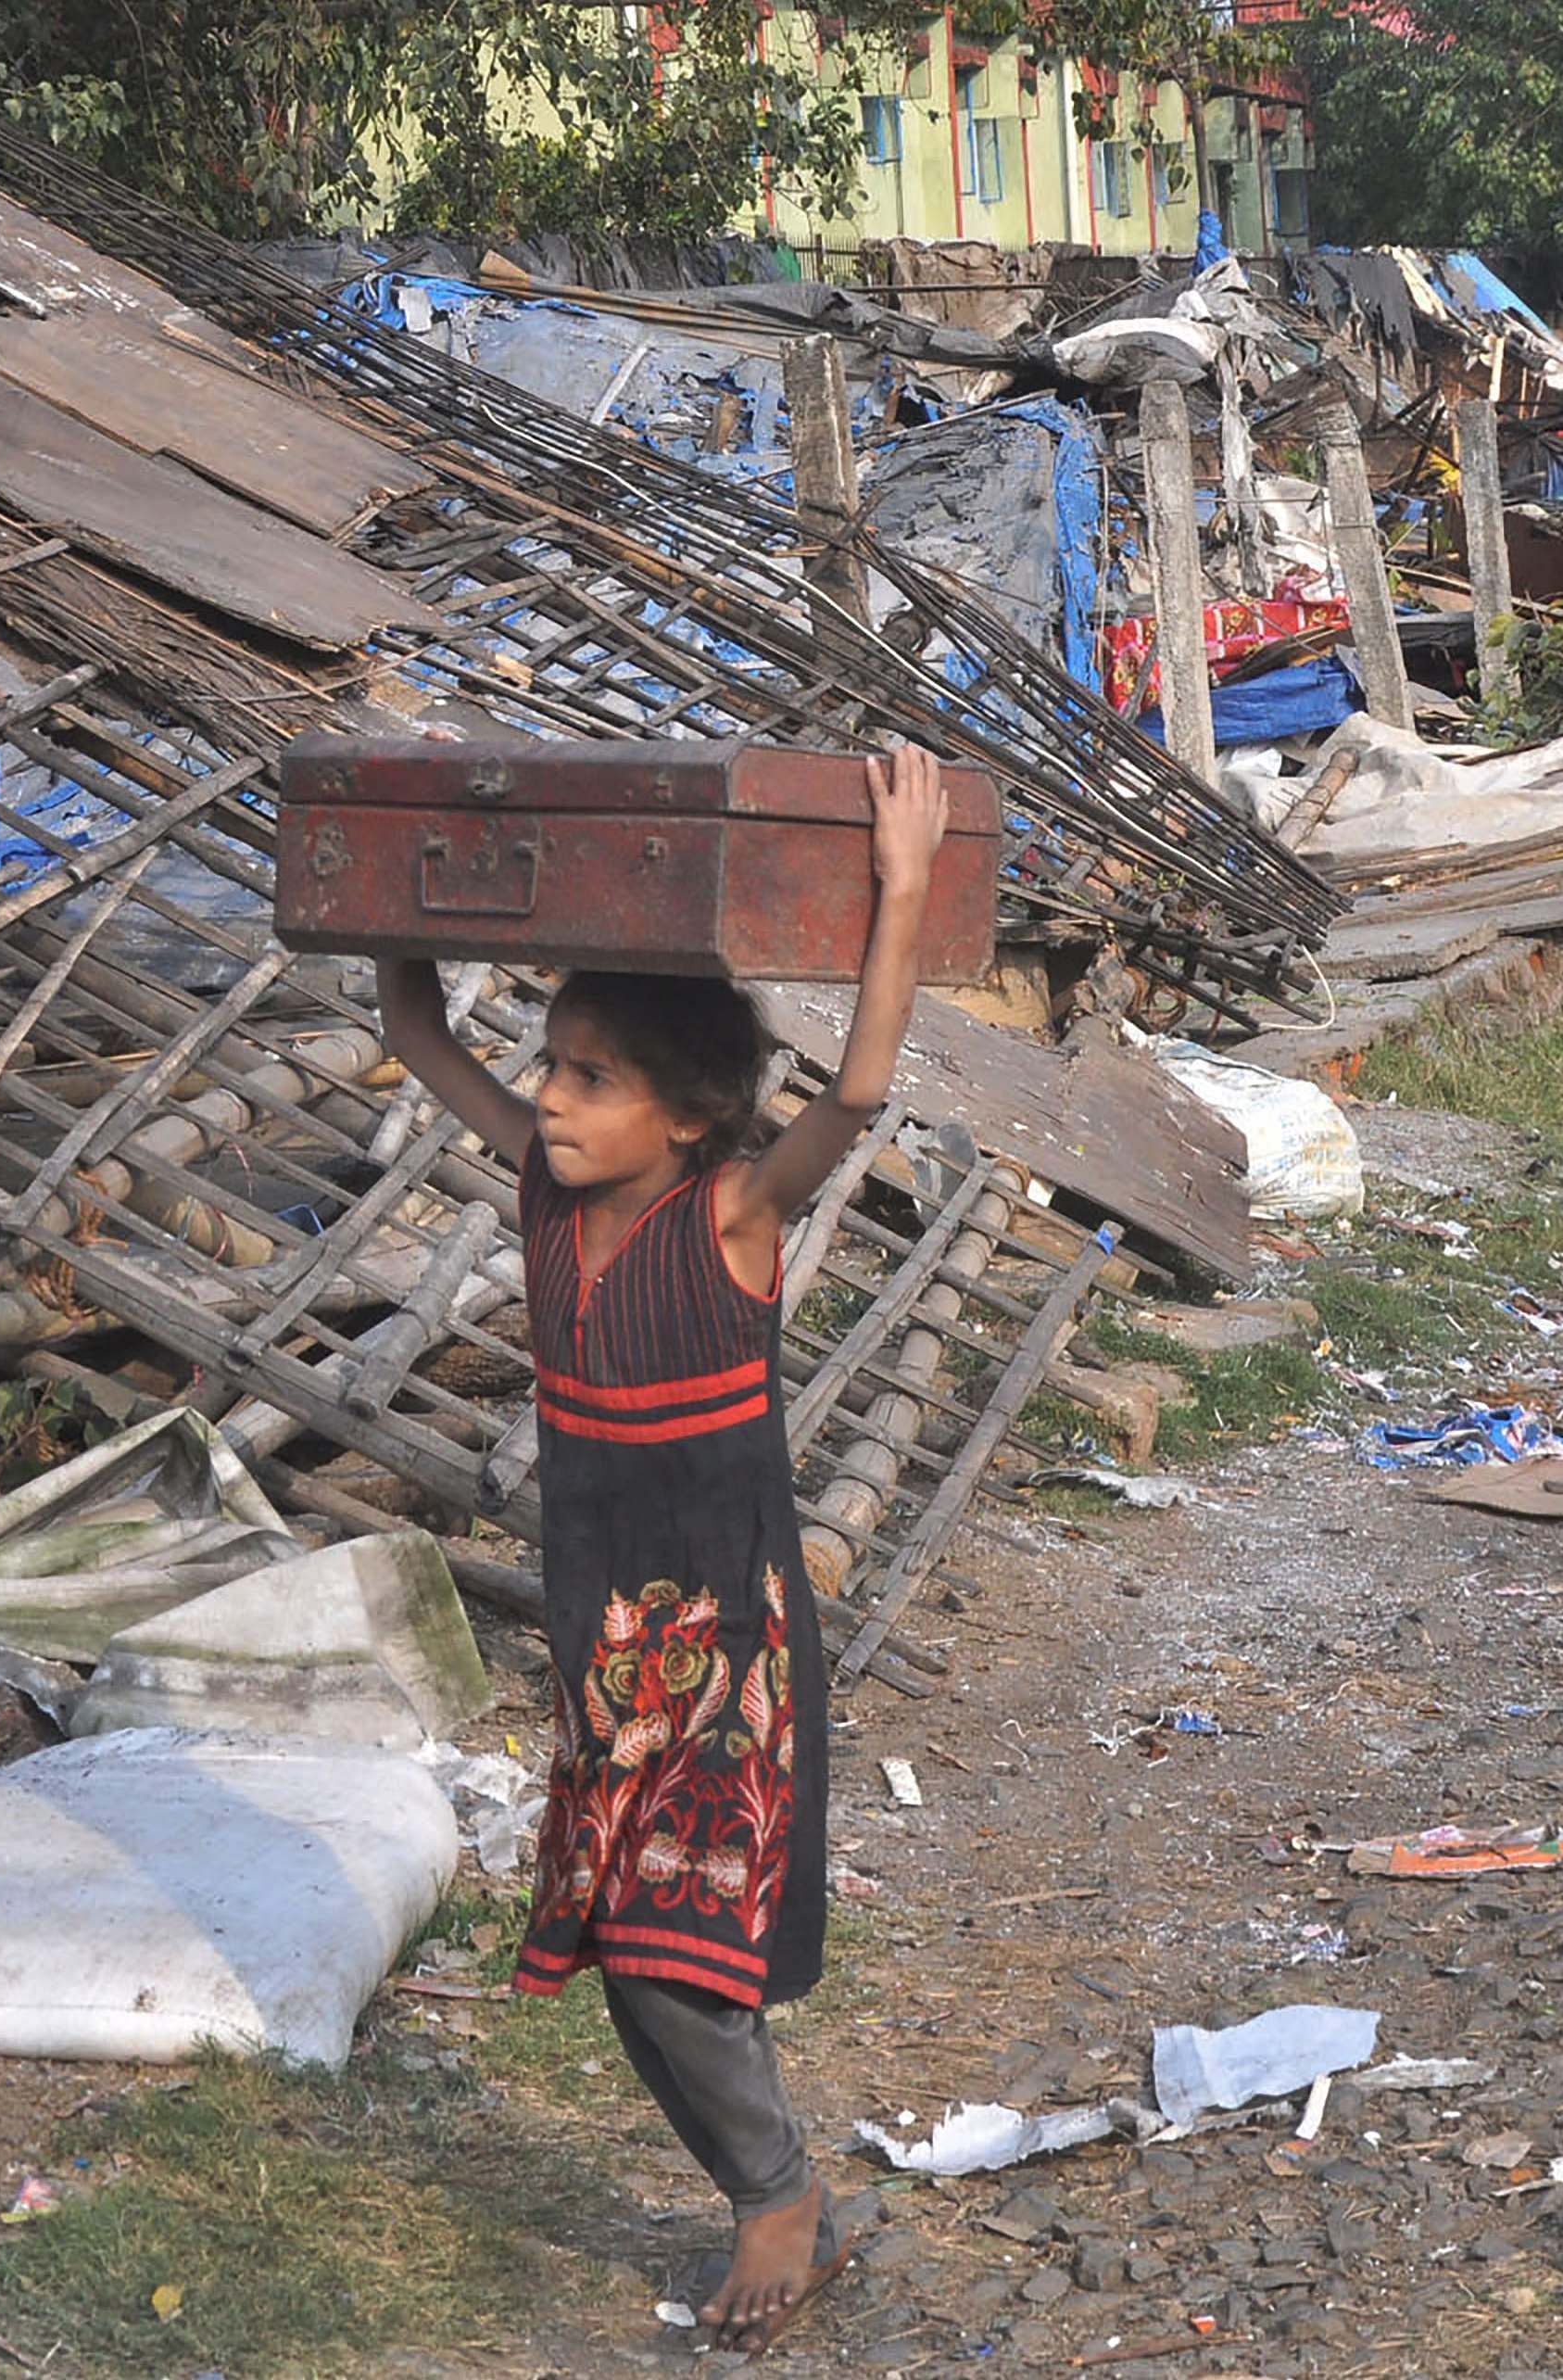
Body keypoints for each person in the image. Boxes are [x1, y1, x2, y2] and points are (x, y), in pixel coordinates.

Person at [375, 742, 951, 2356]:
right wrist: (404, 861)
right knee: (642, 1944)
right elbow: (414, 1024)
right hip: (597, 1628)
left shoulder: (729, 1216)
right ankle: (776, 2187)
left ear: (688, 1113)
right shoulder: (547, 1196)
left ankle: (773, 2194)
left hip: (724, 1633)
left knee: (661, 1941)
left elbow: (849, 1092)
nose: (548, 1099)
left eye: (586, 1077)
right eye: (547, 1067)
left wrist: (900, 886)